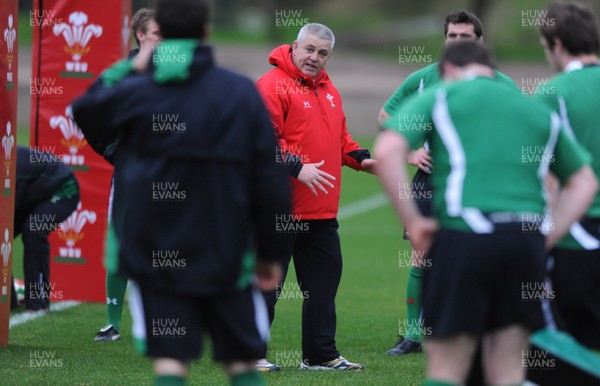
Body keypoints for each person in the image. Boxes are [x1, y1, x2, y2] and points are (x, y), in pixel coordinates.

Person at [71, 0, 290, 385]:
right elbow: (269, 178)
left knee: (171, 361)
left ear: (159, 35)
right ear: (206, 30)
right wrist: (270, 252)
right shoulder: (238, 90)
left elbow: (85, 107)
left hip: (154, 249)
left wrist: (134, 64)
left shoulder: (137, 89)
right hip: (226, 247)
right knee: (241, 359)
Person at [375, 40, 597, 386]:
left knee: (447, 367)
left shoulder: (444, 95)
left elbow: (387, 149)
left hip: (466, 237)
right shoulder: (534, 107)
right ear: (492, 71)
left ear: (447, 70)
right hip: (524, 242)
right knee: (508, 371)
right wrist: (550, 234)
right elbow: (583, 180)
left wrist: (415, 221)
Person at [378, 10, 517, 356]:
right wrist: (410, 151)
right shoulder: (424, 79)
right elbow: (386, 115)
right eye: (452, 36)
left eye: (466, 37)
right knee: (421, 257)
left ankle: (470, 330)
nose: (458, 43)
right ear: (444, 40)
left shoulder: (501, 84)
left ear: (480, 41)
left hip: (478, 184)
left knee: (474, 257)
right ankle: (413, 335)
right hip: (429, 181)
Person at [255, 22, 376, 372]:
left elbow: (341, 141)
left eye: (322, 53)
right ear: (295, 46)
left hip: (320, 212)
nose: (315, 57)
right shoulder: (271, 85)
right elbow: (261, 143)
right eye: (309, 49)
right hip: (277, 208)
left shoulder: (330, 90)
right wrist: (296, 167)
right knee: (267, 288)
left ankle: (320, 356)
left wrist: (363, 160)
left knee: (323, 287)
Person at [94, 6, 161, 343]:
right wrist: (112, 151)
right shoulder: (122, 74)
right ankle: (112, 322)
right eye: (157, 33)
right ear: (141, 35)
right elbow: (91, 116)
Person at [536, 2, 600, 350]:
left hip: (578, 237)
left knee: (572, 353)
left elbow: (547, 178)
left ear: (557, 44)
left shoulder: (553, 93)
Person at [12, 145, 79, 311]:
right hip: (32, 193)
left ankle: (38, 301)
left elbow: (8, 208)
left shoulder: (13, 168)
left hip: (64, 190)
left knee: (34, 230)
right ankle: (8, 301)